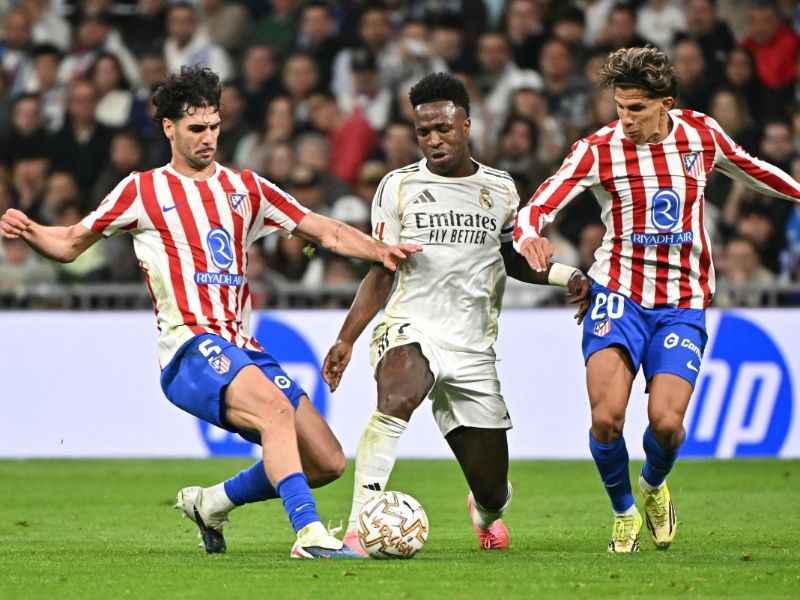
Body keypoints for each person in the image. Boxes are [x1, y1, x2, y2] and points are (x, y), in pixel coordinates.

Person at [0, 66, 420, 560]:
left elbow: (323, 229)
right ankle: (309, 535)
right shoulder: (143, 190)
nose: (208, 138)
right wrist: (30, 230)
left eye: (215, 126)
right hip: (189, 347)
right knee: (275, 411)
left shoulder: (246, 189)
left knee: (326, 460)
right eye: (196, 128)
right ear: (169, 128)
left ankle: (212, 502)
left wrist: (378, 250)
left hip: (241, 345)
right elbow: (70, 242)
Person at [513, 46, 800, 553]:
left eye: (637, 109)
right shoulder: (597, 150)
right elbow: (539, 204)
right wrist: (530, 235)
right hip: (616, 295)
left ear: (665, 104)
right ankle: (623, 510)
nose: (625, 119)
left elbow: (753, 169)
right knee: (606, 418)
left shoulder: (701, 135)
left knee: (667, 425)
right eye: (619, 107)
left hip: (681, 302)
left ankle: (652, 486)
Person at [321, 73, 590, 554]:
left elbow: (510, 259)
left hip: (472, 348)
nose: (434, 140)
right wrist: (347, 338)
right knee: (399, 393)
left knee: (493, 490)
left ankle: (484, 511)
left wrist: (567, 275)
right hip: (410, 325)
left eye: (443, 128)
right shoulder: (398, 186)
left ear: (467, 124)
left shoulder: (501, 189)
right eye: (423, 132)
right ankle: (360, 525)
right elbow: (382, 269)